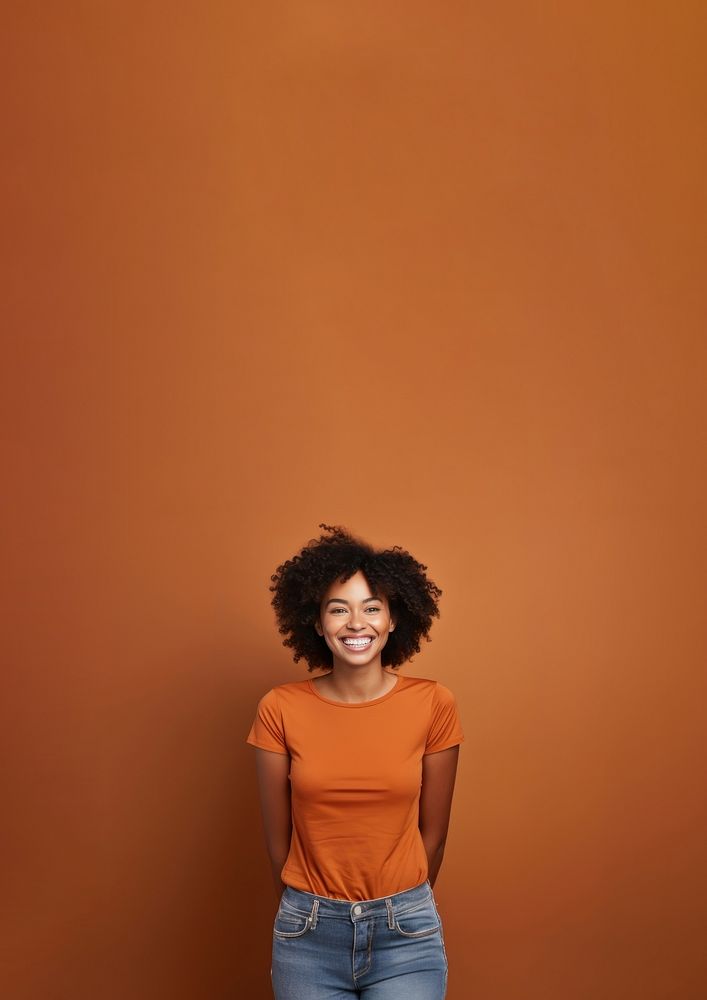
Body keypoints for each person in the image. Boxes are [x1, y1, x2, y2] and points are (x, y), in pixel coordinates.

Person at [246, 523, 464, 1000]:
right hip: (309, 933)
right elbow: (276, 844)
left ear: (393, 620)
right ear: (317, 622)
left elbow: (436, 834)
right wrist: (312, 910)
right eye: (338, 608)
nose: (355, 623)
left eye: (371, 608)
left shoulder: (433, 703)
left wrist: (402, 903)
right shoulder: (279, 708)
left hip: (406, 934)